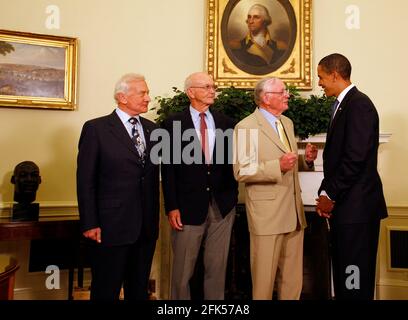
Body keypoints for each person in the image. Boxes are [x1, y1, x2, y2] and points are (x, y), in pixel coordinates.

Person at [76, 73, 160, 300]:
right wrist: (90, 222)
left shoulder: (153, 130)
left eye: (147, 93)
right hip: (110, 226)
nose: (148, 98)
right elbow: (85, 180)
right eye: (143, 93)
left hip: (146, 228)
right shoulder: (96, 129)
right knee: (106, 289)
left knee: (138, 290)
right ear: (122, 97)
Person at [233, 77, 318, 300]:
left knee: (292, 281)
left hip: (294, 213)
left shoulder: (286, 122)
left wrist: (305, 161)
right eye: (282, 92)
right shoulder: (246, 126)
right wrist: (277, 166)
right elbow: (242, 170)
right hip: (267, 216)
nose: (287, 95)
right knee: (263, 282)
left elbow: (286, 162)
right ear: (266, 98)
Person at [315, 53, 388, 300]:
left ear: (335, 75)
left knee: (354, 277)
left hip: (358, 210)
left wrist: (330, 195)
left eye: (322, 77)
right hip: (348, 209)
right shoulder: (344, 104)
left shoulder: (359, 104)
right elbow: (338, 158)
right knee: (346, 276)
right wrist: (324, 192)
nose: (320, 83)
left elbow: (355, 158)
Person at [161, 72, 238, 300]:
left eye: (213, 86)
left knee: (217, 269)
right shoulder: (172, 123)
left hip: (222, 207)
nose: (212, 90)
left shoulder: (227, 123)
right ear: (190, 92)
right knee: (182, 271)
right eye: (206, 86)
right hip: (186, 208)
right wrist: (171, 206)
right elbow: (168, 169)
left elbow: (236, 162)